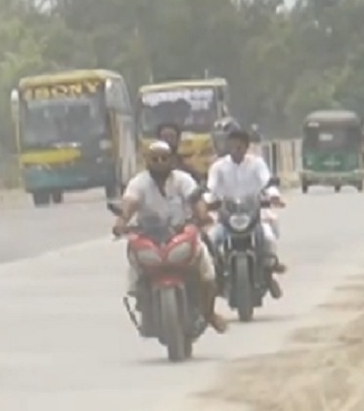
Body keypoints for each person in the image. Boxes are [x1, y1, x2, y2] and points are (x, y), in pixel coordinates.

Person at [112, 140, 227, 333]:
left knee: (207, 272)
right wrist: (121, 222)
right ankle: (143, 303)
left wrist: (202, 215)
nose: (159, 162)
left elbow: (195, 199)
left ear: (171, 160)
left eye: (164, 158)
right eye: (154, 158)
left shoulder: (182, 179)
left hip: (181, 232)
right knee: (135, 268)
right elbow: (129, 203)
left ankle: (209, 313)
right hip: (150, 235)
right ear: (147, 161)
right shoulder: (138, 183)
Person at [205, 127, 285, 297]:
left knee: (268, 236)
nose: (236, 150)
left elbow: (267, 182)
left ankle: (269, 274)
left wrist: (274, 196)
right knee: (211, 240)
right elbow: (210, 187)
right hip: (227, 216)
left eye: (240, 146)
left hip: (254, 214)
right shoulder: (218, 166)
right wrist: (206, 201)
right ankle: (216, 276)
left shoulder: (257, 163)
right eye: (233, 145)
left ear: (247, 147)